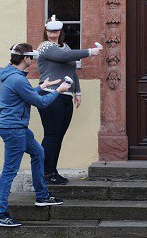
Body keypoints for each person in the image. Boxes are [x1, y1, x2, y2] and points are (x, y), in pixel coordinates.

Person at [0, 43, 69, 227]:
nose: (32, 61)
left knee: (38, 153)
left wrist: (42, 86)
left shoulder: (10, 75)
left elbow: (25, 95)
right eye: (31, 57)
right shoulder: (17, 79)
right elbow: (41, 103)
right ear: (25, 58)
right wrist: (58, 91)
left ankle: (42, 196)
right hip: (14, 130)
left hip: (14, 127)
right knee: (9, 171)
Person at [36, 15, 102, 185]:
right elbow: (63, 57)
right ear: (46, 31)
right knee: (51, 135)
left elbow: (71, 70)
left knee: (58, 136)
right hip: (50, 94)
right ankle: (45, 173)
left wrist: (77, 92)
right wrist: (89, 52)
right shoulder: (45, 47)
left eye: (56, 31)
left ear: (60, 32)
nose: (53, 34)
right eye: (50, 31)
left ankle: (52, 171)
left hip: (65, 96)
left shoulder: (65, 47)